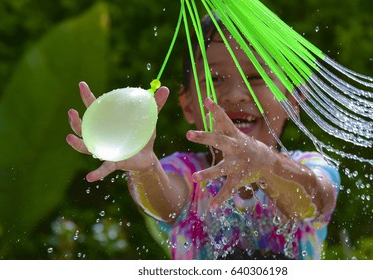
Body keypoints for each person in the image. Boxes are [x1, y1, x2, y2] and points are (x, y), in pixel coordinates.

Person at [66, 14, 340, 260]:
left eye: (256, 77)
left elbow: (315, 200)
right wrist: (146, 170)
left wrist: (266, 164)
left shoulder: (308, 166)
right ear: (187, 105)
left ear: (292, 100)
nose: (234, 95)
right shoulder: (186, 174)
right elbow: (164, 206)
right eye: (215, 79)